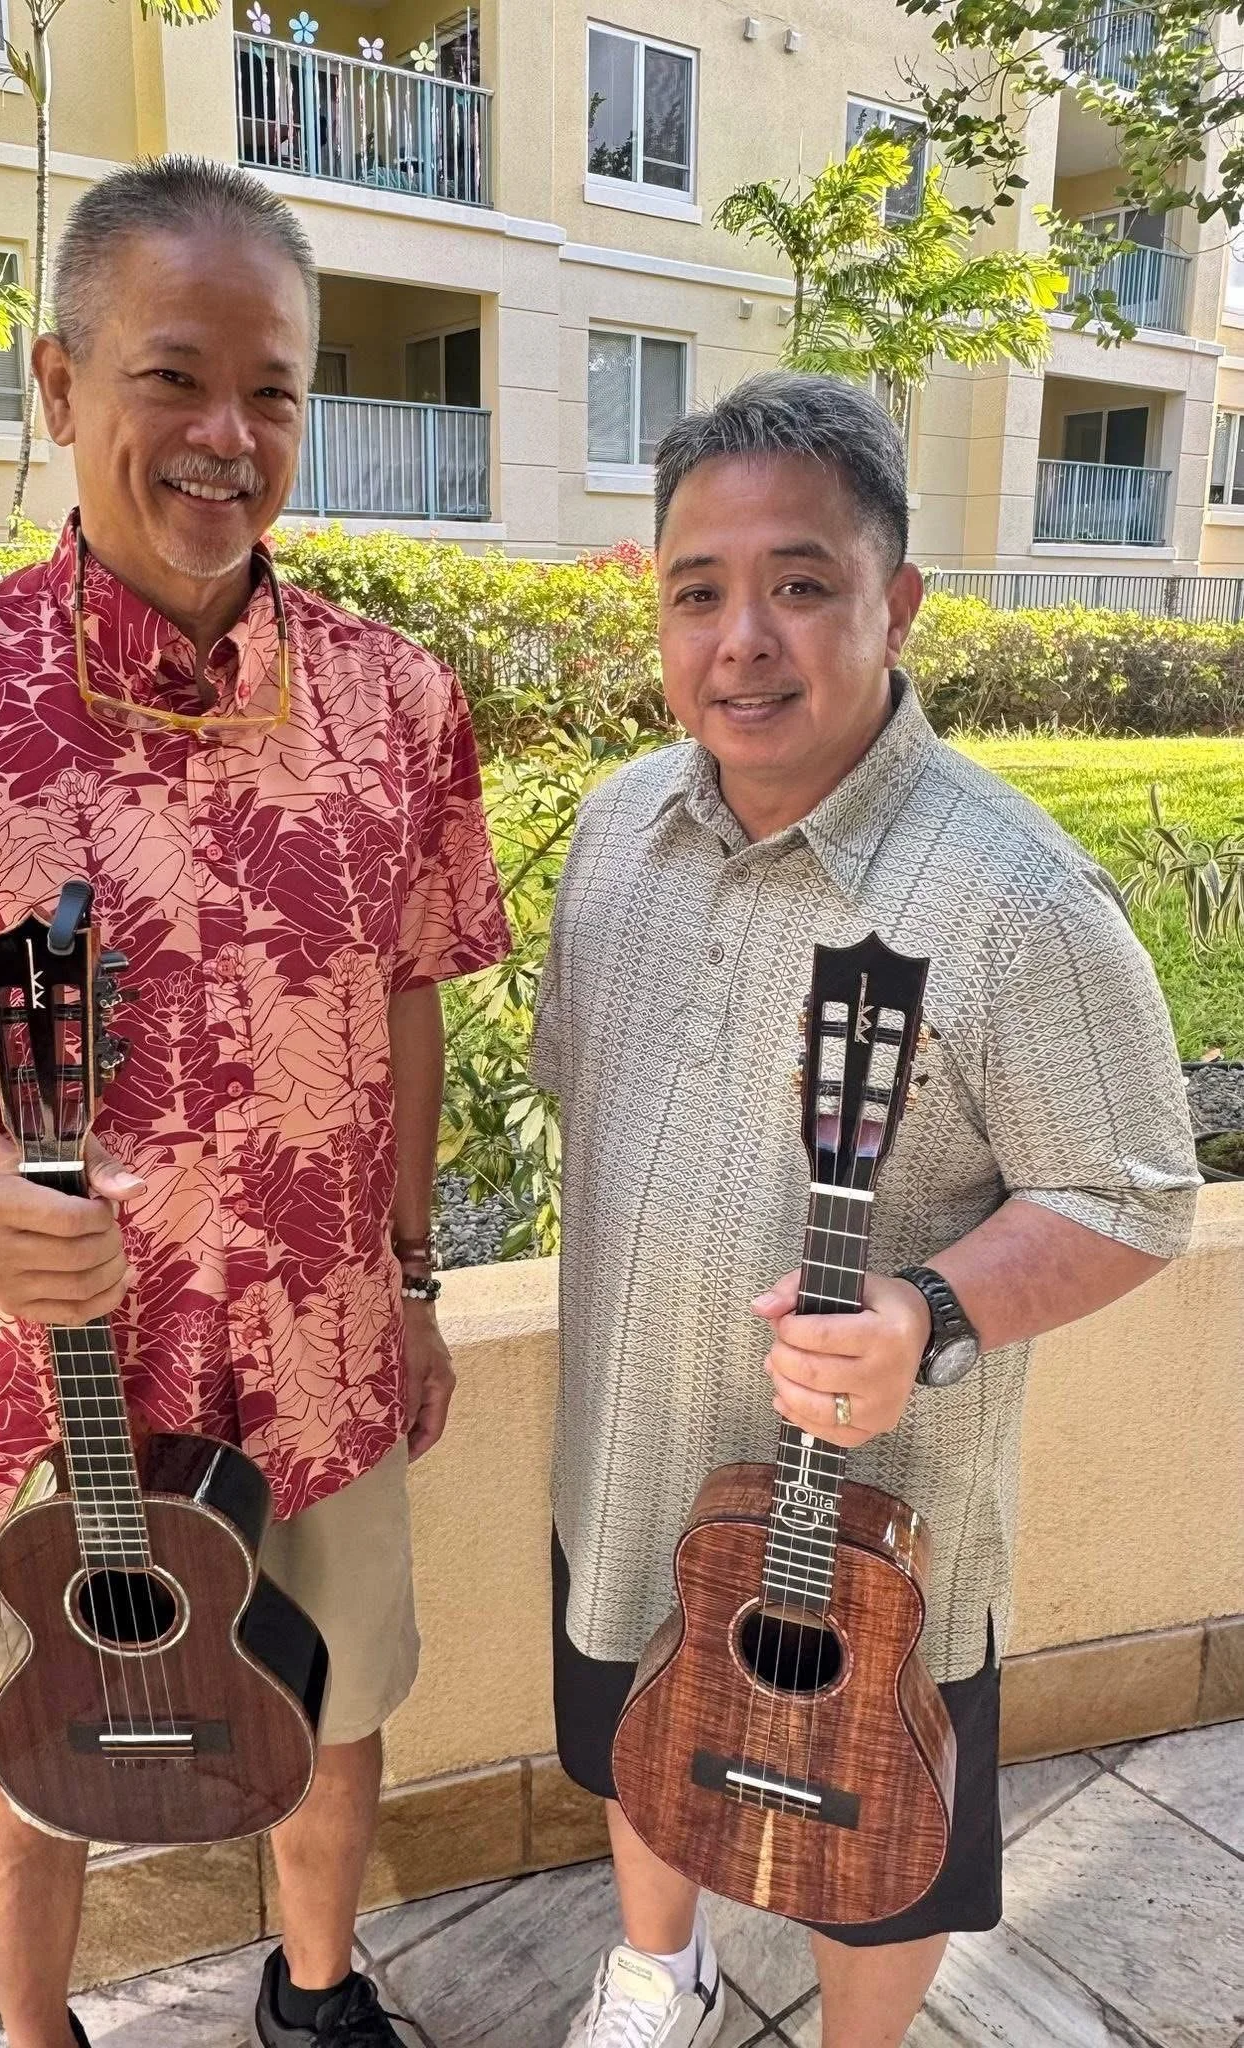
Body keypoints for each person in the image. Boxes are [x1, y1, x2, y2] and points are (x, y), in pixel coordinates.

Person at [0, 156, 509, 2048]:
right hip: (46, 1385)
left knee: (331, 1713)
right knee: (32, 1752)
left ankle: (316, 2001)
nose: (227, 438)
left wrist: (412, 1283)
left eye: (273, 390)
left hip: (321, 1353)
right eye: (174, 377)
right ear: (58, 381)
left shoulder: (397, 702)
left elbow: (408, 1004)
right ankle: (32, 2034)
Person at [531, 371, 1199, 2048]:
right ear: (655, 610)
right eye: (699, 592)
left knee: (884, 1848)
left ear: (894, 604)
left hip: (873, 1526)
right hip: (627, 1459)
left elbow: (1133, 1193)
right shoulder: (614, 836)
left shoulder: (1015, 898)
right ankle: (653, 1972)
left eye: (801, 583)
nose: (742, 637)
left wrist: (934, 1311)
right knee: (631, 1714)